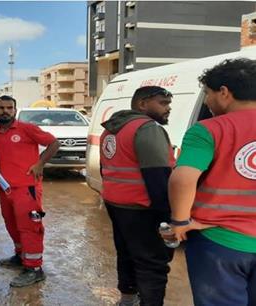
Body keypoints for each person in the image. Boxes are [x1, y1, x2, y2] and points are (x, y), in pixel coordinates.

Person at [166, 58, 256, 306]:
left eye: (207, 93)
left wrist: (180, 221)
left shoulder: (208, 129)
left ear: (224, 93)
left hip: (220, 242)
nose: (206, 101)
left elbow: (183, 178)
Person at [99, 86, 175, 306]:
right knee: (153, 264)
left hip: (117, 204)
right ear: (142, 104)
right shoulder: (147, 128)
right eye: (162, 103)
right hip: (144, 207)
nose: (168, 108)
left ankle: (127, 299)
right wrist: (167, 217)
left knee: (127, 254)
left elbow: (106, 169)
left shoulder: (111, 129)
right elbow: (158, 176)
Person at [0, 95, 60, 287]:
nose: (5, 111)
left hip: (27, 189)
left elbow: (54, 143)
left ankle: (34, 269)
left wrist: (40, 163)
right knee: (11, 225)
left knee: (30, 228)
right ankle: (20, 257)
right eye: (1, 108)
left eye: (9, 108)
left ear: (15, 109)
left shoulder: (26, 129)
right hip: (6, 189)